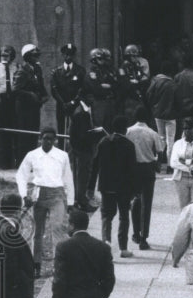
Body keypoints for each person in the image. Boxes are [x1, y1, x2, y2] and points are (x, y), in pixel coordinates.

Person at [16, 126, 73, 277]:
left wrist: (71, 201)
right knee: (37, 231)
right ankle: (36, 265)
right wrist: (24, 196)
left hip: (57, 194)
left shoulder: (62, 155)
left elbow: (68, 178)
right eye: (44, 138)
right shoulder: (32, 155)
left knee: (58, 229)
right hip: (38, 194)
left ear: (55, 140)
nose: (47, 141)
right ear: (40, 139)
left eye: (51, 139)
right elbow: (21, 175)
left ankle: (59, 266)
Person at [92, 115, 138, 258]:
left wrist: (89, 187)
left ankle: (106, 244)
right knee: (124, 217)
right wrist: (134, 191)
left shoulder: (103, 142)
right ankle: (123, 248)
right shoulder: (129, 145)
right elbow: (132, 170)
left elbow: (95, 166)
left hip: (106, 186)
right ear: (125, 129)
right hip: (124, 188)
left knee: (106, 217)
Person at [127, 106, 164, 250]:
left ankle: (136, 233)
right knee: (146, 203)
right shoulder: (152, 133)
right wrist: (156, 164)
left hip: (133, 169)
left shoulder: (129, 131)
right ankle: (144, 237)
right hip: (147, 168)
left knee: (135, 201)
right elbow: (160, 153)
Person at [12, 44, 49, 165]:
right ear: (27, 57)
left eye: (37, 55)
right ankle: (22, 162)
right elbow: (15, 89)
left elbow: (41, 84)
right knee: (24, 135)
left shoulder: (37, 69)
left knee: (34, 133)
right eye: (34, 56)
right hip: (23, 108)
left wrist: (44, 95)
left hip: (34, 107)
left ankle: (32, 161)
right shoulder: (21, 70)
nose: (36, 58)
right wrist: (31, 95)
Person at [68, 100, 101, 212]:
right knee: (81, 177)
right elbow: (81, 134)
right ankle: (80, 200)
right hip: (82, 150)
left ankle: (80, 199)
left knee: (83, 176)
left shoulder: (84, 110)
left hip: (82, 149)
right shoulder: (80, 113)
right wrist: (94, 135)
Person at [146, 60, 178, 169]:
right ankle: (170, 165)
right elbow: (177, 101)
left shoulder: (155, 81)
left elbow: (149, 96)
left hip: (158, 114)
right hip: (171, 115)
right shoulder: (172, 83)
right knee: (170, 141)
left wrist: (154, 107)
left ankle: (157, 162)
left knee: (160, 138)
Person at [49, 43, 85, 137]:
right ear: (63, 55)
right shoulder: (56, 71)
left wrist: (73, 102)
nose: (69, 56)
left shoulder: (80, 70)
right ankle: (61, 149)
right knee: (61, 130)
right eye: (66, 54)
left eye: (71, 54)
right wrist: (63, 103)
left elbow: (82, 89)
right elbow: (54, 90)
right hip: (61, 105)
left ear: (74, 55)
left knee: (76, 129)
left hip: (75, 105)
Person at [170, 118, 193, 209]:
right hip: (181, 179)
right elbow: (173, 162)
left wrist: (184, 161)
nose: (186, 131)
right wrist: (190, 168)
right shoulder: (178, 143)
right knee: (184, 207)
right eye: (185, 128)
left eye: (189, 128)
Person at [85, 47, 118, 130]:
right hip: (98, 102)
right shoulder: (91, 73)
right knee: (99, 127)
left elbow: (116, 85)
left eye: (103, 58)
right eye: (99, 59)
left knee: (110, 127)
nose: (102, 61)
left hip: (109, 102)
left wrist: (108, 86)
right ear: (94, 60)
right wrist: (106, 87)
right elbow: (96, 89)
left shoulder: (107, 71)